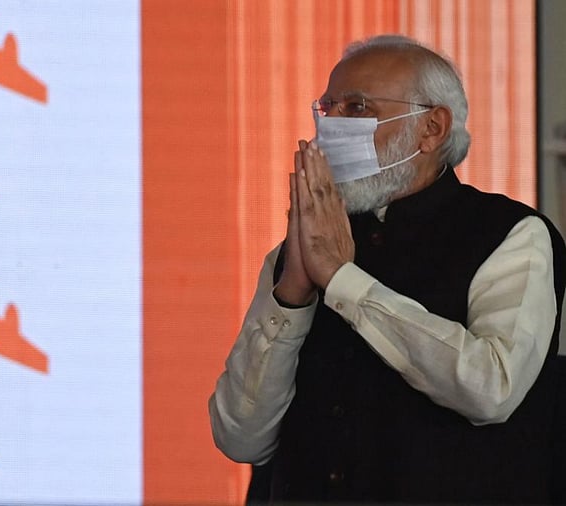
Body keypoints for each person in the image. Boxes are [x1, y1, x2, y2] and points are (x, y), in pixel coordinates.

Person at [209, 34, 566, 504]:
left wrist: (342, 282)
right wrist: (291, 296)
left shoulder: (511, 234)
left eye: (356, 107)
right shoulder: (302, 246)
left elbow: (489, 388)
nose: (330, 126)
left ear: (432, 129)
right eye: (327, 107)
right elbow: (241, 438)